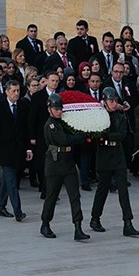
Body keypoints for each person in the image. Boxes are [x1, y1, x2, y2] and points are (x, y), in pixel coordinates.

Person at [89, 87, 139, 237]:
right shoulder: (99, 114)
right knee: (102, 189)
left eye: (116, 100)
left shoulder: (120, 114)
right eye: (111, 100)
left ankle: (128, 222)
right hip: (104, 154)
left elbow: (121, 134)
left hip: (117, 153)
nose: (114, 103)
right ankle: (95, 218)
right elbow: (97, 134)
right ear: (104, 101)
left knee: (123, 189)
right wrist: (105, 136)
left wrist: (107, 136)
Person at [39, 93, 90, 241]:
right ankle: (45, 223)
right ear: (49, 109)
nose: (59, 111)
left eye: (60, 109)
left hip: (67, 162)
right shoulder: (51, 125)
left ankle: (78, 227)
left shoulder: (64, 122)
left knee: (75, 196)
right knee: (52, 196)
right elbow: (64, 139)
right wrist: (81, 137)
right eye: (56, 109)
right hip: (55, 163)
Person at [0, 80, 32, 222]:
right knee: (12, 181)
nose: (16, 94)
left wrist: (28, 148)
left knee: (8, 181)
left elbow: (26, 129)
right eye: (13, 91)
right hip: (5, 150)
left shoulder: (23, 105)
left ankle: (0, 205)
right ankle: (18, 211)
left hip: (18, 149)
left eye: (18, 91)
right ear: (7, 92)